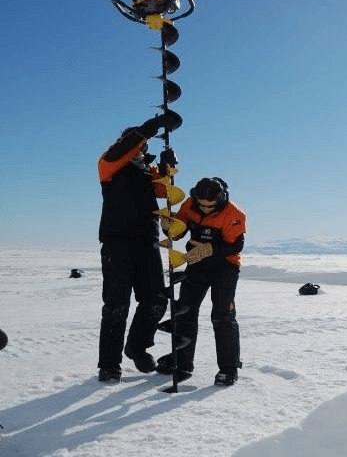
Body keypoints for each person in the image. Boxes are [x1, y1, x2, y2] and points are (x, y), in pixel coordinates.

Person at [97, 110, 181, 383]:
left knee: (156, 299)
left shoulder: (147, 172)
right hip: (117, 243)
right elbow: (127, 145)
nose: (140, 148)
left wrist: (168, 168)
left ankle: (137, 346)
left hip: (147, 242)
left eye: (143, 146)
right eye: (137, 143)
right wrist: (155, 123)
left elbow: (165, 191)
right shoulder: (109, 164)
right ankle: (110, 365)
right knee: (116, 305)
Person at [156, 177, 246, 386]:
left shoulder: (234, 214)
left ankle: (228, 369)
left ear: (221, 199)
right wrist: (168, 227)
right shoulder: (189, 204)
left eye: (210, 206)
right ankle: (183, 363)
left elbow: (236, 246)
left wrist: (211, 249)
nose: (205, 209)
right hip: (196, 264)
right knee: (185, 311)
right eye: (202, 205)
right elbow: (178, 233)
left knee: (222, 315)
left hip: (225, 267)